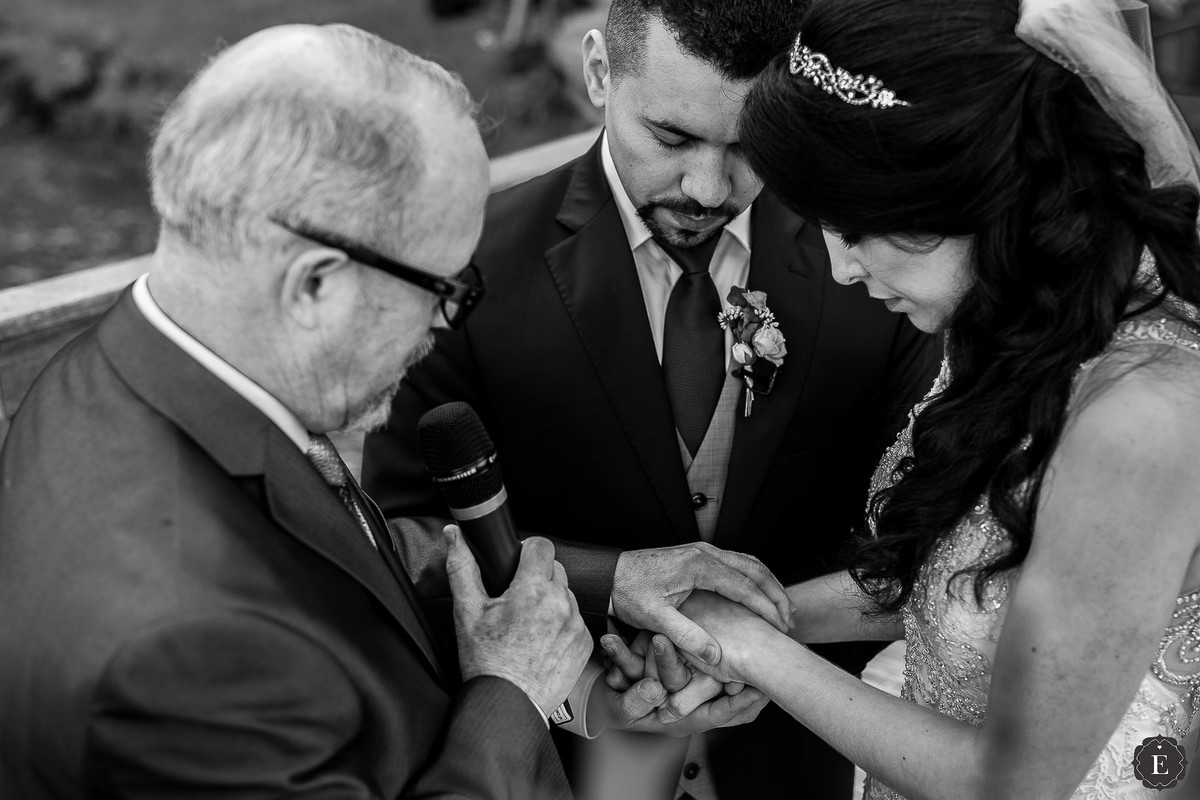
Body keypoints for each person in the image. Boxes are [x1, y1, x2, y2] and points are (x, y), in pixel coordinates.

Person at [361, 0, 942, 797]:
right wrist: (609, 577)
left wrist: (755, 637)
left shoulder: (880, 266)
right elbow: (396, 531)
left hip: (801, 755)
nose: (709, 187)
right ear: (600, 72)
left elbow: (932, 526)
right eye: (671, 138)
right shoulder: (470, 264)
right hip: (564, 758)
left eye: (749, 146)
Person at [0, 24, 594, 799]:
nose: (448, 324)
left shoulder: (126, 360)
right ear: (315, 284)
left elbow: (339, 553)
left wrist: (614, 581)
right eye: (444, 289)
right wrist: (513, 692)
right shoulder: (182, 655)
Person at [658, 0, 1200, 797]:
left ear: (986, 202)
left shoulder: (1138, 421)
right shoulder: (1012, 310)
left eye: (858, 228)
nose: (841, 268)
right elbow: (966, 573)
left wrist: (757, 652)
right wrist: (738, 617)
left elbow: (1006, 783)